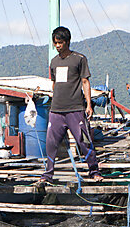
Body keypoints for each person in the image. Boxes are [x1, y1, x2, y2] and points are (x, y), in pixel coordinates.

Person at [38, 26, 100, 186]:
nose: (57, 46)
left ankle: (94, 171)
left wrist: (88, 104)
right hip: (56, 110)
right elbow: (54, 84)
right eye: (55, 43)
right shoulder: (54, 62)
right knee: (51, 143)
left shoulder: (79, 59)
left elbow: (85, 82)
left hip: (76, 109)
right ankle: (48, 174)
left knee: (84, 142)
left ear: (67, 42)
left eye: (60, 42)